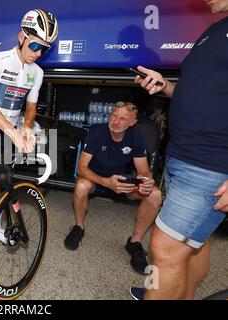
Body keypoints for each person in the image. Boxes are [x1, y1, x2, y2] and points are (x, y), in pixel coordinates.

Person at [130, 0, 228, 299]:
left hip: (209, 164)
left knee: (163, 249)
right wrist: (165, 87)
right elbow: (198, 89)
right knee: (192, 245)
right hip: (182, 157)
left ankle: (155, 293)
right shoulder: (215, 30)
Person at [0, 9, 59, 262]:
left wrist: (26, 126)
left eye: (44, 49)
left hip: (11, 131)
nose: (38, 52)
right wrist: (13, 133)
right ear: (21, 36)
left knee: (2, 182)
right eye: (36, 45)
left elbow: (31, 107)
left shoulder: (37, 73)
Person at [64, 101, 162, 274]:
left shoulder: (137, 136)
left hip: (123, 183)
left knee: (154, 195)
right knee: (80, 186)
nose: (116, 122)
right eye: (114, 116)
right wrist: (105, 182)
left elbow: (143, 169)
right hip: (97, 179)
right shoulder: (97, 132)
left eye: (122, 119)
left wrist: (146, 180)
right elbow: (82, 168)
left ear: (132, 122)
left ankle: (134, 243)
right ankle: (79, 227)